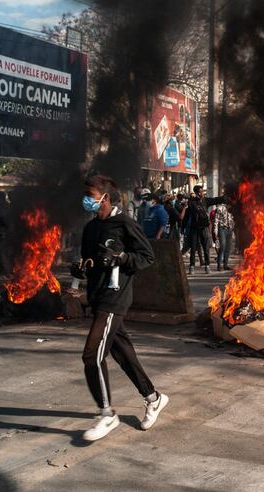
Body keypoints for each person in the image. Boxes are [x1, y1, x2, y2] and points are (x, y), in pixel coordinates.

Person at [74, 175, 167, 441]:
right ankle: (154, 398)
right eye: (86, 195)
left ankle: (107, 414)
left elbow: (147, 256)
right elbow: (88, 261)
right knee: (122, 352)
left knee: (92, 355)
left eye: (91, 195)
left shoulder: (125, 223)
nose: (87, 200)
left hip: (115, 297)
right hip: (97, 296)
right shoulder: (91, 228)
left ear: (105, 198)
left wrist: (122, 257)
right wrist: (79, 271)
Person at [187, 185, 225, 275]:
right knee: (193, 248)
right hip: (194, 228)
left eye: (202, 191)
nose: (202, 193)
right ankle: (192, 267)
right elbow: (190, 210)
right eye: (200, 192)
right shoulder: (192, 201)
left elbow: (215, 200)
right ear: (196, 193)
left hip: (204, 227)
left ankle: (207, 266)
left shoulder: (205, 200)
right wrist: (195, 200)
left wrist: (225, 197)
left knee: (206, 248)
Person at [212, 197, 234, 271]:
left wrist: (232, 229)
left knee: (228, 248)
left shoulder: (232, 209)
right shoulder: (220, 208)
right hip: (222, 229)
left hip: (229, 230)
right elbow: (216, 221)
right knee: (222, 247)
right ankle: (219, 265)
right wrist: (215, 232)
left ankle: (225, 265)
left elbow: (232, 220)